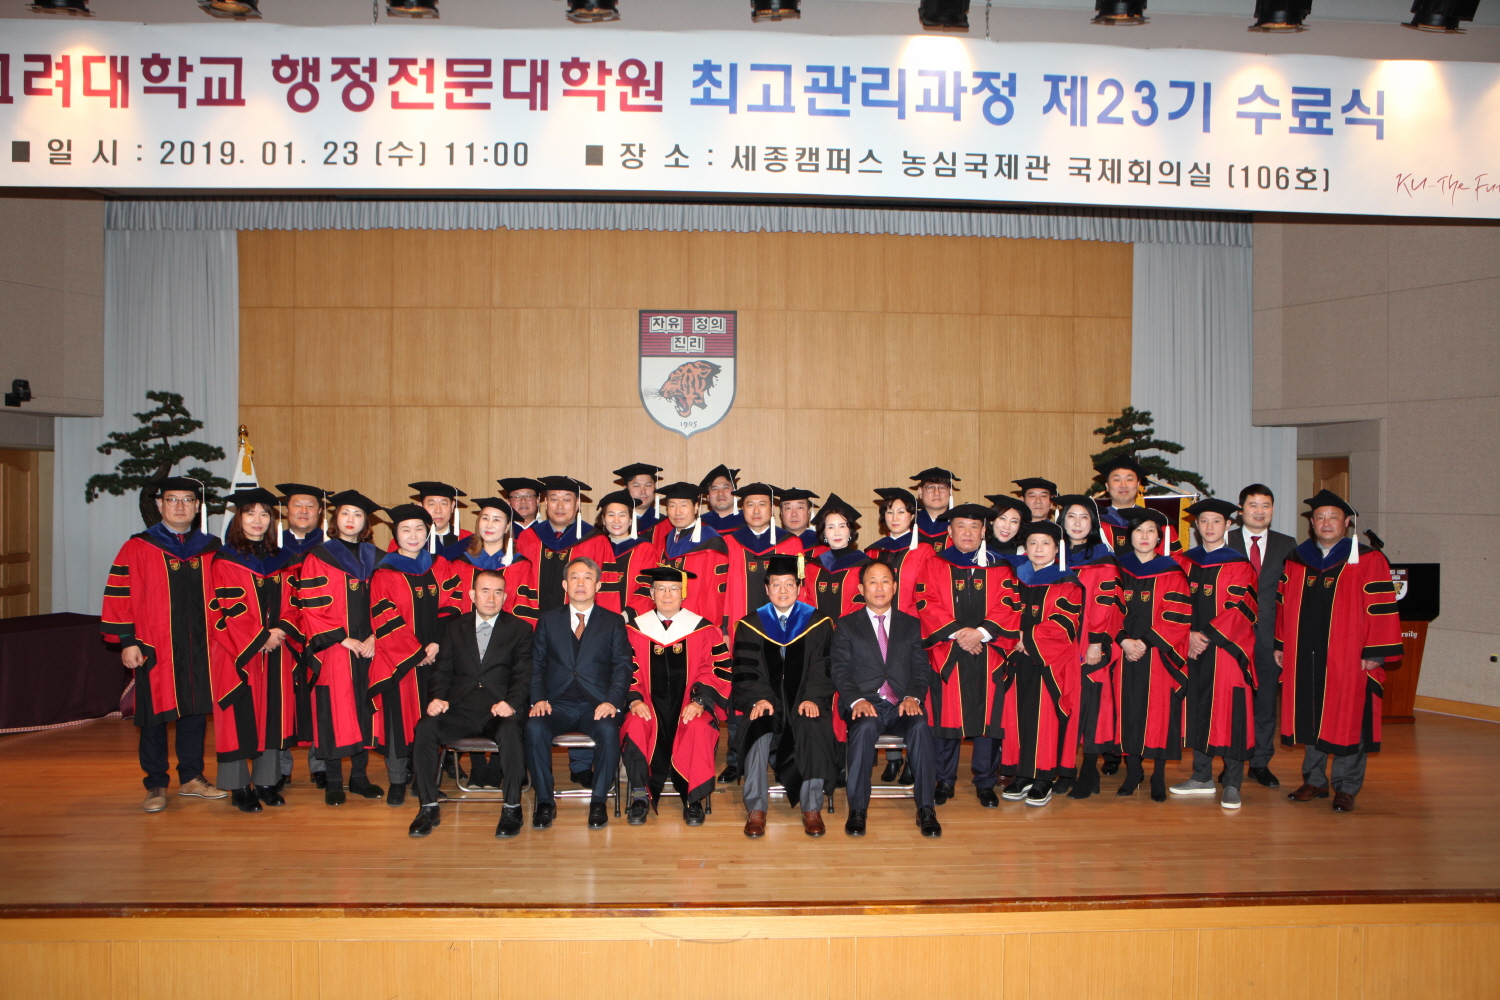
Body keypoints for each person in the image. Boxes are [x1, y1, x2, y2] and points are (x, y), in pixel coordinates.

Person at [103, 477, 228, 812]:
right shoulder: (138, 547)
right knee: (153, 716)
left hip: (201, 646)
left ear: (198, 506)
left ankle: (192, 777)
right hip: (154, 647)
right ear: (159, 504)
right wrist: (128, 641)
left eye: (187, 500)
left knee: (195, 712)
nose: (180, 506)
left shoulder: (211, 548)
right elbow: (120, 595)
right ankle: (156, 783)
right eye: (172, 499)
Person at [1277, 490, 1403, 812]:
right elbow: (1283, 606)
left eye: (1333, 517)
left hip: (1349, 655)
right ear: (1312, 523)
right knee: (1311, 713)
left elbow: (1381, 607)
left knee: (1349, 716)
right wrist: (1281, 645)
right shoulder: (1297, 559)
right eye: (1320, 517)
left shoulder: (1368, 559)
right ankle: (1314, 780)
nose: (1326, 523)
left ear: (1347, 522)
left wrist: (1375, 651)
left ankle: (1346, 787)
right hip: (1306, 654)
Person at [408, 568, 533, 839]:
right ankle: (428, 807)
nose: (491, 598)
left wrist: (511, 703)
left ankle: (512, 808)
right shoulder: (454, 627)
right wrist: (437, 698)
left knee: (512, 731)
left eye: (498, 592)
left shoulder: (520, 629)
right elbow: (442, 670)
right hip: (460, 708)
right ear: (472, 595)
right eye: (485, 591)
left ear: (505, 597)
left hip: (498, 709)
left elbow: (523, 674)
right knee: (425, 728)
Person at [912, 503, 1015, 808]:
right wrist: (959, 633)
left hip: (989, 653)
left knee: (988, 720)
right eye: (961, 526)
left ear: (984, 531)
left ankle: (985, 781)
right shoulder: (934, 564)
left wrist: (981, 633)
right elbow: (925, 601)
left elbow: (1009, 602)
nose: (967, 532)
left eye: (974, 526)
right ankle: (944, 780)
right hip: (948, 652)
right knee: (946, 720)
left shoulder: (1000, 566)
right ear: (949, 531)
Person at [831, 561, 941, 838]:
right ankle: (858, 809)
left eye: (885, 581)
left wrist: (913, 697)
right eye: (872, 581)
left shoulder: (912, 625)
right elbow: (840, 670)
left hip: (902, 703)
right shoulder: (846, 625)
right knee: (864, 728)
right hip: (864, 702)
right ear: (861, 588)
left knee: (920, 726)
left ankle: (926, 808)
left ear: (894, 587)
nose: (879, 587)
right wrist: (856, 700)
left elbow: (921, 668)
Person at [732, 556, 839, 838]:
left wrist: (812, 697)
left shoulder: (817, 623)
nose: (783, 590)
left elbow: (824, 668)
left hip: (804, 701)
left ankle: (811, 807)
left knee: (813, 725)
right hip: (768, 703)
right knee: (757, 726)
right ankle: (756, 808)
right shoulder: (751, 625)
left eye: (789, 584)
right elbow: (746, 671)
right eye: (776, 584)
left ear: (799, 588)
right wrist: (759, 698)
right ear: (767, 588)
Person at [208, 488, 300, 813]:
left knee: (273, 713)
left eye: (264, 514)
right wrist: (260, 637)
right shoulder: (225, 560)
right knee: (238, 715)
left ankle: (265, 781)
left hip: (277, 650)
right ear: (238, 518)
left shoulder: (283, 558)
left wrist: (281, 630)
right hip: (238, 652)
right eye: (250, 513)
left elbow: (295, 601)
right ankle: (237, 786)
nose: (258, 520)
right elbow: (225, 605)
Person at [290, 490, 384, 806]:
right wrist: (341, 638)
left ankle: (359, 777)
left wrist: (375, 637)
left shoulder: (378, 558)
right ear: (335, 518)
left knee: (363, 708)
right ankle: (333, 780)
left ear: (366, 522)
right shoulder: (319, 556)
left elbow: (388, 601)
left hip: (368, 648)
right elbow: (311, 603)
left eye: (358, 515)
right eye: (345, 513)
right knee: (333, 709)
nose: (351, 519)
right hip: (333, 647)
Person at [526, 557, 634, 829]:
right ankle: (545, 802)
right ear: (565, 585)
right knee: (534, 728)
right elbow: (536, 664)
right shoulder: (548, 620)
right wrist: (538, 698)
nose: (581, 583)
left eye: (587, 577)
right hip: (557, 704)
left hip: (596, 705)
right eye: (574, 577)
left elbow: (623, 667)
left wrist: (612, 701)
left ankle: (598, 801)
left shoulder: (613, 622)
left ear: (598, 585)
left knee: (609, 731)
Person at [620, 567, 733, 826]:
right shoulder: (634, 630)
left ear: (683, 594)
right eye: (661, 589)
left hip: (688, 706)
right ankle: (639, 795)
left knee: (698, 726)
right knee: (635, 723)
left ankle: (694, 799)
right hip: (647, 705)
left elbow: (716, 668)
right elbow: (624, 669)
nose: (667, 594)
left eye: (673, 589)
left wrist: (700, 701)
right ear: (651, 593)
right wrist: (634, 699)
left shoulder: (703, 629)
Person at [1169, 497, 1259, 810]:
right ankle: (1201, 776)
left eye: (1216, 521)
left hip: (1227, 649)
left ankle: (1232, 782)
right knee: (1198, 707)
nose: (1209, 526)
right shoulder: (1183, 562)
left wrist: (1205, 635)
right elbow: (1172, 602)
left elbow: (1242, 607)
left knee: (1230, 710)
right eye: (1204, 521)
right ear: (1196, 525)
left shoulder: (1239, 565)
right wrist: (1188, 635)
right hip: (1190, 647)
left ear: (1228, 525)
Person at [717, 481, 802, 783]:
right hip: (738, 631)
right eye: (750, 504)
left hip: (782, 633)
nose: (756, 510)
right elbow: (721, 590)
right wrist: (723, 628)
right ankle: (735, 758)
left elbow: (800, 591)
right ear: (742, 509)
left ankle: (779, 755)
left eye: (762, 504)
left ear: (772, 509)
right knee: (741, 691)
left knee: (781, 689)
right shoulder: (729, 542)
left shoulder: (791, 544)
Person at [367, 503, 451, 808]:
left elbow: (453, 604)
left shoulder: (439, 565)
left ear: (428, 532)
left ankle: (423, 781)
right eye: (406, 530)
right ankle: (397, 781)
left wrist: (437, 643)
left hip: (435, 657)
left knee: (430, 719)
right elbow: (384, 617)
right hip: (398, 662)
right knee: (397, 720)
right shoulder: (384, 572)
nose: (413, 535)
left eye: (419, 529)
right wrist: (415, 653)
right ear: (395, 534)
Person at [995, 521, 1083, 807]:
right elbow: (1002, 611)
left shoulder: (1068, 583)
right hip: (1016, 658)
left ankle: (1043, 777)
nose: (1039, 549)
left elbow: (1064, 623)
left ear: (1057, 549)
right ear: (1025, 548)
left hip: (1050, 662)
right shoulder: (1015, 579)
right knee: (1017, 716)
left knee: (1045, 717)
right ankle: (1022, 774)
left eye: (1046, 543)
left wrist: (1026, 638)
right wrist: (1013, 637)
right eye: (1032, 543)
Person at [1113, 508, 1192, 802]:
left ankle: (1158, 775)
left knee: (1160, 713)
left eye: (1151, 531)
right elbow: (1107, 609)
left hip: (1158, 653)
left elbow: (1177, 613)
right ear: (1129, 536)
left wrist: (1144, 642)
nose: (1144, 536)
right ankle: (1133, 771)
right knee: (1127, 710)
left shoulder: (1171, 570)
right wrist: (1123, 640)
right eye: (1138, 530)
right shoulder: (1117, 569)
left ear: (1159, 537)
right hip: (1123, 652)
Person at [1225, 484, 1296, 788]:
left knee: (1265, 704)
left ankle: (1260, 762)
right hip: (1231, 637)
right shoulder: (1224, 540)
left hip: (1269, 638)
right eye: (1253, 505)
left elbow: (1290, 594)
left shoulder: (1287, 544)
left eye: (1266, 505)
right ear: (1241, 510)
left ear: (1273, 510)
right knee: (1231, 703)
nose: (1259, 511)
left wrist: (1284, 640)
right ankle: (1231, 762)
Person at [1053, 494, 1122, 800]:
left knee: (1091, 707)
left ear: (1093, 523)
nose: (1077, 523)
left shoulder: (1102, 559)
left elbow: (1105, 603)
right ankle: (1065, 770)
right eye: (1071, 516)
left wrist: (1096, 642)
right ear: (1062, 521)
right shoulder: (1054, 554)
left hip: (1088, 642)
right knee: (1063, 706)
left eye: (1084, 517)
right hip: (1058, 644)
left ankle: (1089, 769)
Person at [864, 486, 924, 784]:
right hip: (878, 630)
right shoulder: (873, 552)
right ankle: (892, 759)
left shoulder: (924, 551)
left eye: (902, 511)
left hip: (909, 632)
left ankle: (912, 761)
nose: (895, 516)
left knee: (906, 690)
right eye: (890, 511)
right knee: (882, 687)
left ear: (912, 516)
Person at [273, 482, 328, 788]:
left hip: (321, 635)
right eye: (298, 505)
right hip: (283, 637)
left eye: (311, 506)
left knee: (320, 698)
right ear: (286, 510)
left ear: (320, 512)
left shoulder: (331, 550)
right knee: (283, 700)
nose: (304, 511)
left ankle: (321, 764)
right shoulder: (272, 549)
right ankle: (281, 767)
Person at [440, 497, 538, 624]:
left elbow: (525, 611)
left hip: (508, 635)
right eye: (485, 518)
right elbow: (451, 607)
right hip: (464, 634)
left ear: (507, 526)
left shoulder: (521, 566)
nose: (489, 525)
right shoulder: (460, 564)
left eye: (496, 519)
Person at [514, 476, 598, 618]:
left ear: (577, 503)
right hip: (533, 622)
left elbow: (605, 590)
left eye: (567, 500)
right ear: (546, 502)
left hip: (580, 623)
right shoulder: (528, 537)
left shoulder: (595, 539)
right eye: (554, 499)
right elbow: (517, 583)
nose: (560, 506)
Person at [656, 481, 732, 631]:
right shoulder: (666, 540)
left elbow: (715, 594)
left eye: (684, 505)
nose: (677, 512)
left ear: (696, 507)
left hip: (699, 622)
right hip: (666, 622)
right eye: (672, 506)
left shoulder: (711, 542)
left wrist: (712, 628)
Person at [573, 489, 661, 618]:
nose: (616, 520)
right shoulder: (593, 547)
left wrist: (625, 616)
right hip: (595, 619)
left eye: (622, 515)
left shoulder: (645, 549)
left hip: (632, 619)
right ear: (603, 520)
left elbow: (648, 587)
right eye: (611, 515)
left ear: (631, 520)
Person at [798, 494, 872, 620]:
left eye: (842, 526)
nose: (837, 532)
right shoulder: (813, 567)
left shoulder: (865, 566)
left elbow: (864, 603)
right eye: (831, 527)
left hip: (852, 629)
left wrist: (842, 627)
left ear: (850, 530)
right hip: (818, 629)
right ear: (824, 533)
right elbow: (807, 601)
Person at [390, 482, 472, 555]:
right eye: (432, 504)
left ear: (452, 506)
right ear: (420, 507)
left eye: (443, 504)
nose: (438, 510)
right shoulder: (403, 542)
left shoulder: (468, 539)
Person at [1094, 456, 1149, 556]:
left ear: (1138, 485)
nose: (1123, 485)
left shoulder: (1153, 521)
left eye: (1129, 479)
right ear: (1107, 486)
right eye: (1117, 480)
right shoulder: (1095, 522)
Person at [909, 467, 960, 552]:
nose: (936, 493)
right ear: (920, 492)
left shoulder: (960, 523)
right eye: (930, 487)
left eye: (942, 487)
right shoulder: (909, 522)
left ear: (950, 492)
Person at [613, 462, 665, 539]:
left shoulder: (665, 524)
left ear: (654, 488)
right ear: (625, 489)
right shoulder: (613, 523)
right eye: (636, 486)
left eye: (648, 485)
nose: (643, 491)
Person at [699, 464, 745, 534]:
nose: (720, 493)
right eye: (715, 489)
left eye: (725, 488)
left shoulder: (749, 522)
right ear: (707, 497)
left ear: (735, 493)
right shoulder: (698, 525)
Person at [776, 487, 822, 553]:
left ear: (808, 513)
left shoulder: (820, 543)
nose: (794, 514)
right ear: (781, 514)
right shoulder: (772, 543)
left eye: (800, 507)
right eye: (788, 508)